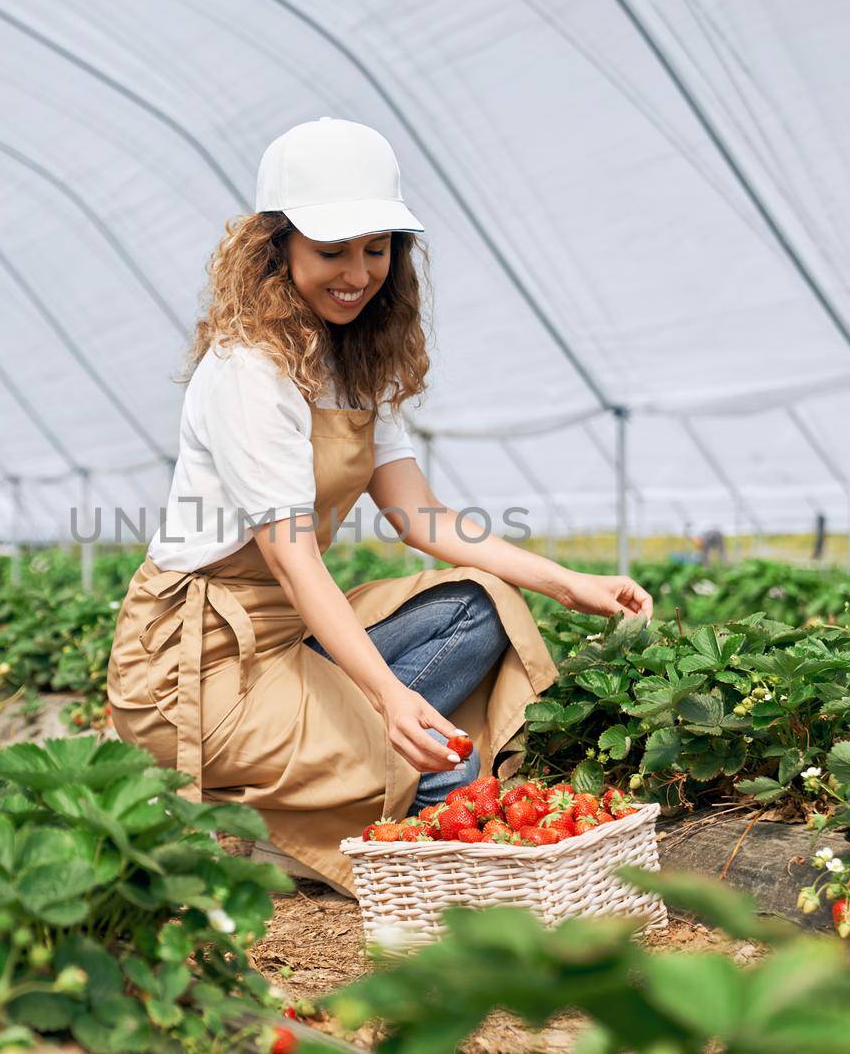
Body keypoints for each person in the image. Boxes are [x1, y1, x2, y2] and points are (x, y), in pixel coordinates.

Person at [105, 118, 654, 897]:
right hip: (195, 666)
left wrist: (566, 581)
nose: (358, 273)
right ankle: (249, 818)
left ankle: (324, 772)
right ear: (276, 247)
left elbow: (419, 516)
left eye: (377, 247)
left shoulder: (352, 358)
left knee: (479, 605)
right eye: (332, 250)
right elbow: (294, 560)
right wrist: (389, 697)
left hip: (289, 640)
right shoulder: (247, 373)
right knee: (443, 771)